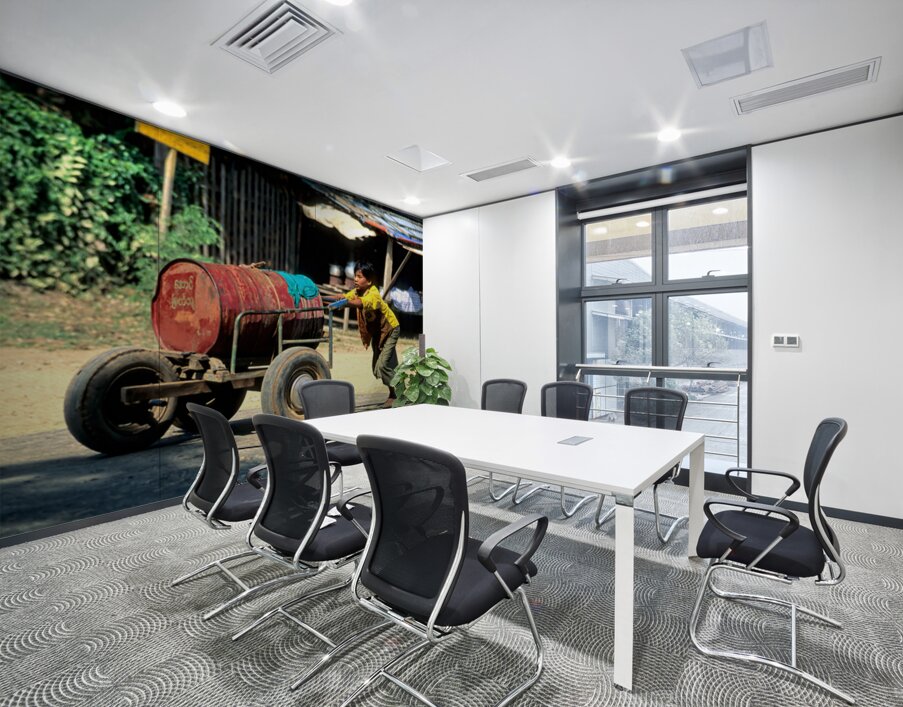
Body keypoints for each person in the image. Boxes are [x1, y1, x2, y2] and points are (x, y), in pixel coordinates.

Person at [337, 262, 400, 406]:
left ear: (369, 281)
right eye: (355, 276)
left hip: (390, 329)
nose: (355, 279)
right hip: (378, 333)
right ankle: (395, 389)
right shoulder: (357, 292)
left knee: (383, 366)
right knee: (377, 367)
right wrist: (320, 298)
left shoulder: (374, 294)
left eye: (359, 276)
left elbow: (360, 303)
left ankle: (397, 394)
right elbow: (343, 297)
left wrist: (346, 303)